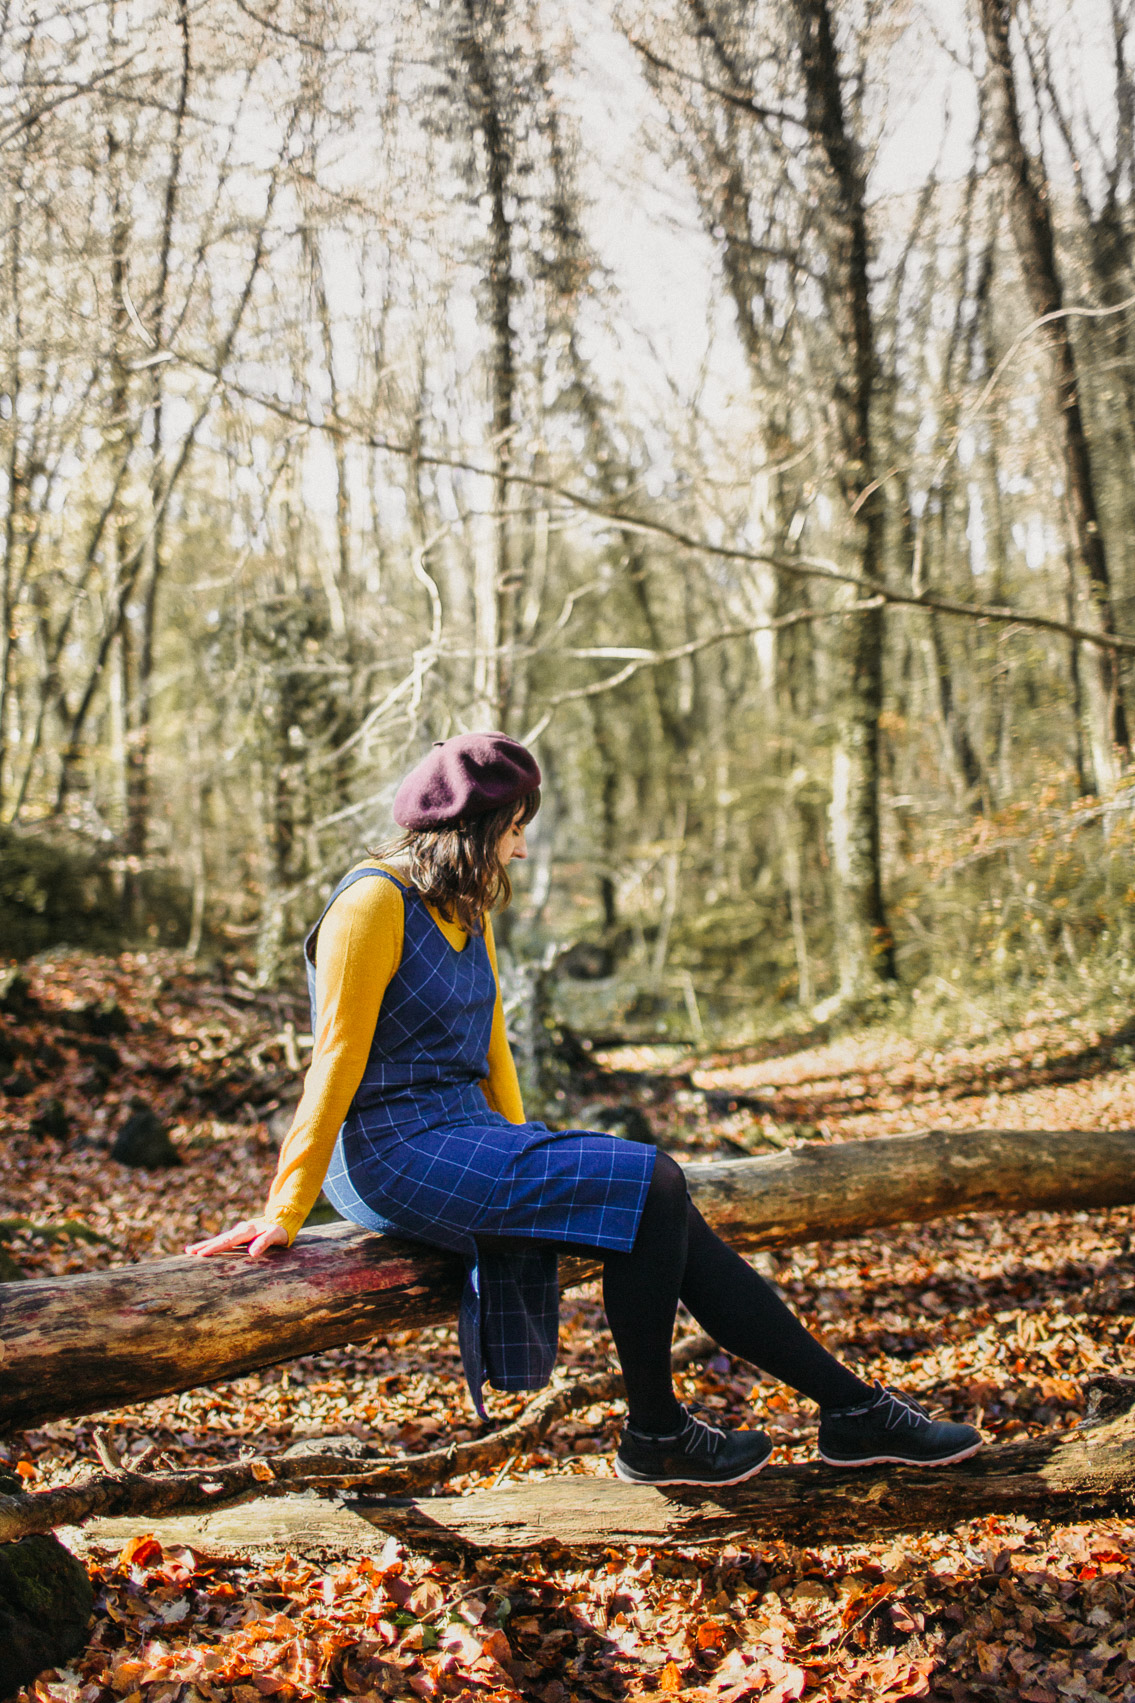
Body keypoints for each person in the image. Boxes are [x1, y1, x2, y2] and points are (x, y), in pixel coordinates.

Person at [188, 732, 982, 1486]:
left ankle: (834, 1411)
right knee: (651, 1179)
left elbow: (491, 1040)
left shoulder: (465, 903)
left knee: (653, 1204)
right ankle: (687, 1429)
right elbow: (335, 1058)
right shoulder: (370, 904)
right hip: (389, 1151)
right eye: (513, 829)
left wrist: (521, 1144)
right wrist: (287, 1206)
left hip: (464, 1135)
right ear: (474, 827)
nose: (522, 848)